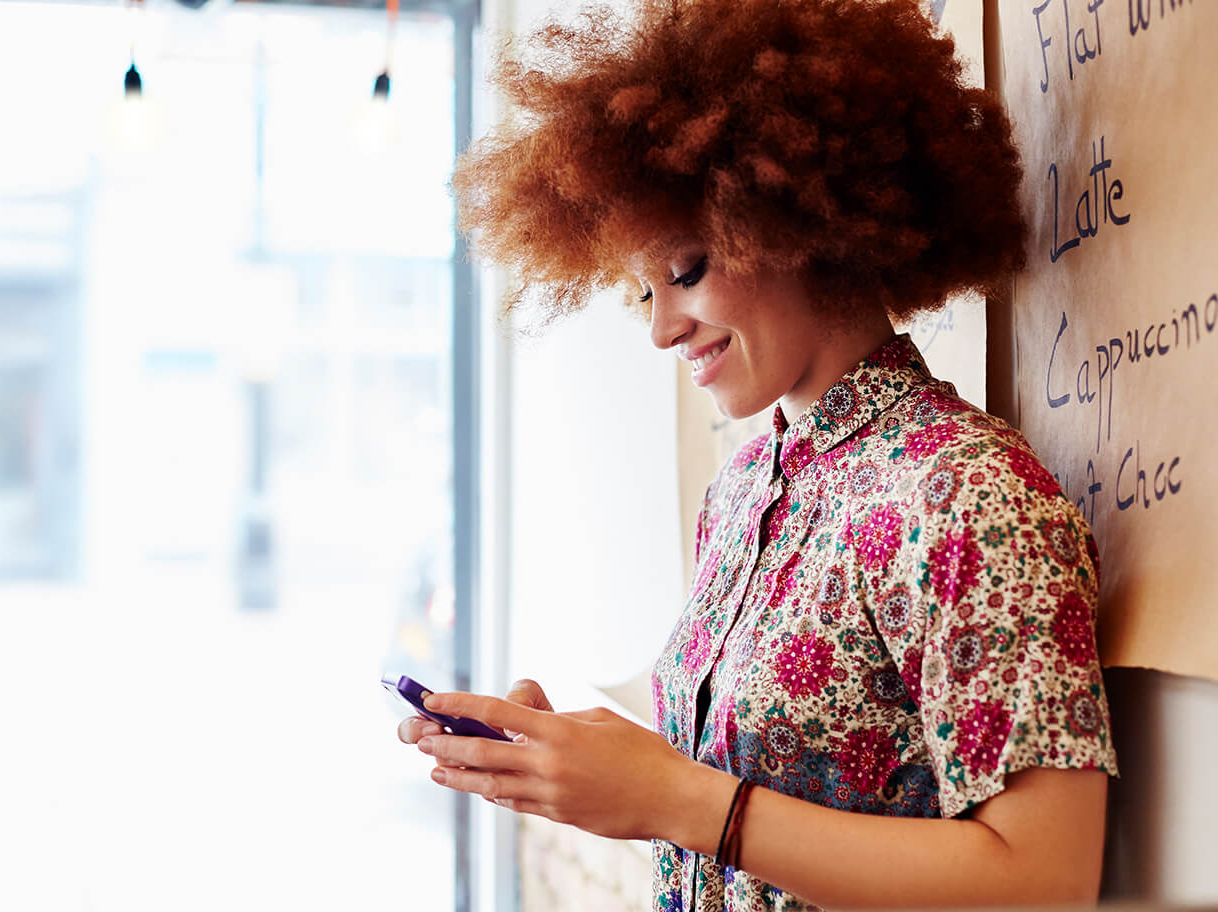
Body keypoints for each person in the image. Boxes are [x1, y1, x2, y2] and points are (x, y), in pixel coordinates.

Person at [397, 0, 1120, 909]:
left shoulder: (969, 493)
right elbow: (734, 792)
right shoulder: (741, 492)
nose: (660, 328)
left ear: (799, 222)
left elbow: (1045, 881)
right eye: (644, 288)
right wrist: (589, 770)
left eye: (687, 271)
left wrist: (674, 796)